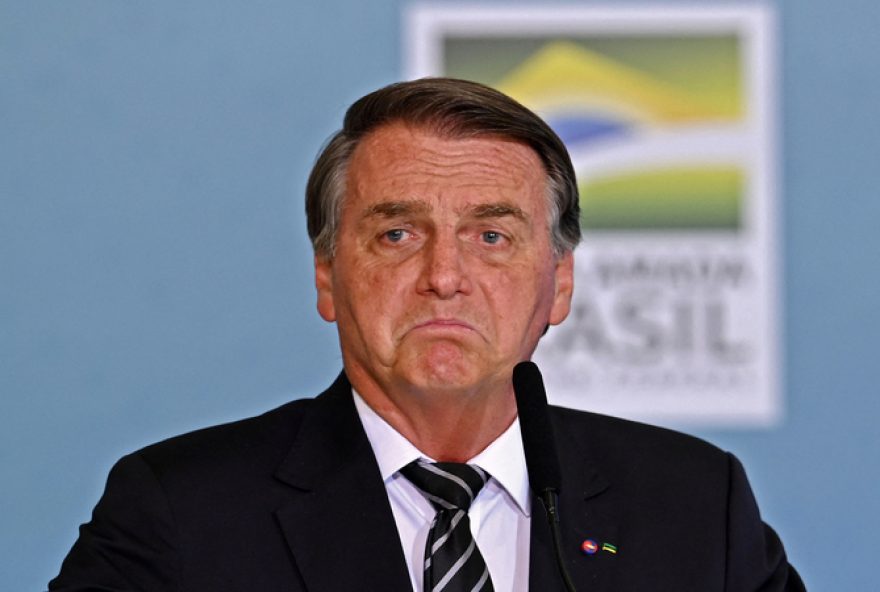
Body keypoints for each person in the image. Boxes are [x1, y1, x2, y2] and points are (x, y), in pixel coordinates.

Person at [49, 78, 805, 591]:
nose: (444, 274)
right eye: (399, 233)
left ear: (561, 282)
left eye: (492, 236)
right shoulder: (180, 513)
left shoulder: (698, 507)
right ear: (327, 277)